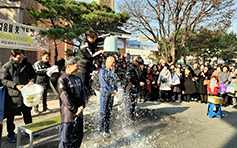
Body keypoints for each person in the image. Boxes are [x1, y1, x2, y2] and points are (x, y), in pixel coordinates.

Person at [0, 49, 36, 143]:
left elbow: (33, 75)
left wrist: (31, 81)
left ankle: (29, 131)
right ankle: (11, 134)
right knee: (10, 117)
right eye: (18, 58)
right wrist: (15, 86)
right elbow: (3, 80)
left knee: (27, 114)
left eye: (22, 57)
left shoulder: (27, 64)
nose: (21, 59)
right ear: (13, 56)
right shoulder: (7, 66)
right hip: (12, 96)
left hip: (25, 94)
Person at [57, 56, 86, 148]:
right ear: (68, 66)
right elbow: (64, 97)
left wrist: (82, 106)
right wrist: (74, 110)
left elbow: (82, 93)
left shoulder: (78, 79)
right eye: (76, 65)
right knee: (65, 140)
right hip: (68, 116)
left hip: (79, 113)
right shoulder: (62, 79)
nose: (78, 67)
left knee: (78, 138)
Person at [98, 56, 118, 138]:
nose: (113, 64)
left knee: (109, 112)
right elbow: (104, 83)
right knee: (103, 112)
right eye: (112, 62)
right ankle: (101, 130)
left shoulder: (112, 71)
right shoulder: (103, 71)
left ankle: (107, 128)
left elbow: (115, 81)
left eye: (114, 62)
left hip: (111, 95)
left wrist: (116, 89)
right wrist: (111, 91)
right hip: (105, 95)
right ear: (107, 62)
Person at [125, 56, 146, 124]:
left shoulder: (138, 68)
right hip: (130, 87)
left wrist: (145, 79)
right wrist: (138, 83)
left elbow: (140, 76)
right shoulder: (131, 68)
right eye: (139, 64)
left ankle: (132, 116)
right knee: (129, 103)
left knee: (134, 103)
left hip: (136, 88)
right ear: (135, 61)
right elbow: (130, 78)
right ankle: (128, 117)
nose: (140, 65)